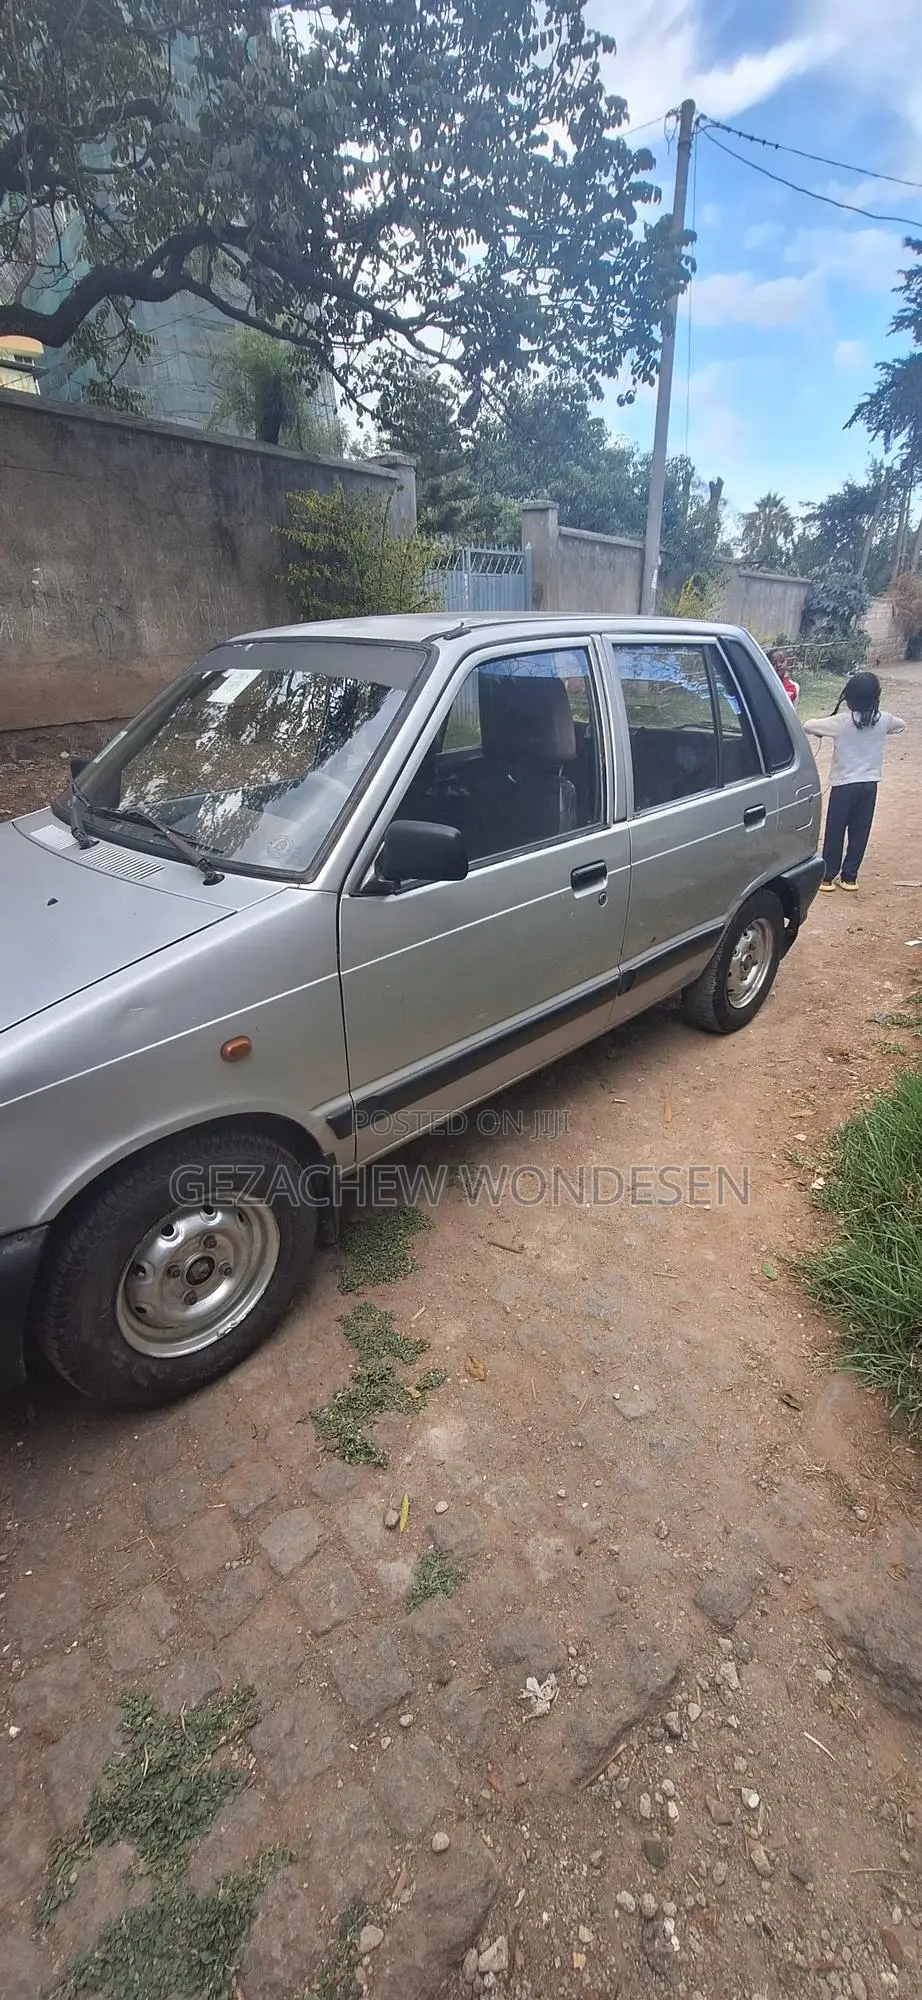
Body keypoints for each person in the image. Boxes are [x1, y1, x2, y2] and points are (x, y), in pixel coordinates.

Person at [804, 671, 906, 891]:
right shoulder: (883, 720)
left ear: (848, 698)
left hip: (844, 785)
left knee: (835, 829)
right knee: (860, 830)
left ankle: (828, 876)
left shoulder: (842, 722)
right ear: (875, 698)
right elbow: (901, 725)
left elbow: (809, 725)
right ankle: (850, 877)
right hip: (869, 784)